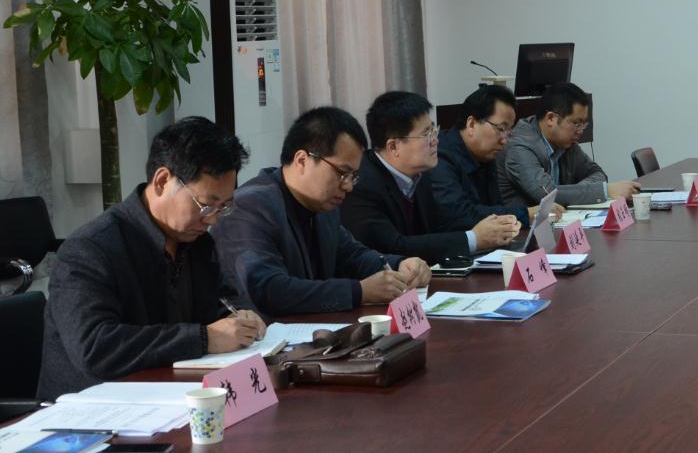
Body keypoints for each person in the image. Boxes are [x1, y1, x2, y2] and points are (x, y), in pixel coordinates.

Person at [39, 117, 264, 400]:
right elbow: (95, 348)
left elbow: (225, 298)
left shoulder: (198, 243)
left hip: (172, 394)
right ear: (162, 181)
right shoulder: (89, 250)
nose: (213, 220)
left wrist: (243, 315)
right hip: (94, 410)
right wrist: (204, 339)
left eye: (224, 207)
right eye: (206, 205)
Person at [213, 106, 431, 316]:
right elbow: (268, 289)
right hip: (265, 335)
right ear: (302, 160)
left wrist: (400, 265)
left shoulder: (321, 203)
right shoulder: (250, 206)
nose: (348, 186)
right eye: (341, 173)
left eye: (353, 176)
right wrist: (359, 292)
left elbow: (351, 256)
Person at [341, 91, 521, 262]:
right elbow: (393, 247)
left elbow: (440, 227)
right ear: (394, 147)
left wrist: (495, 228)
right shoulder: (360, 184)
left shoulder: (420, 174)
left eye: (434, 130)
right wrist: (474, 239)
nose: (436, 140)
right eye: (426, 134)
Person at [427, 85, 555, 233]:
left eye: (508, 132)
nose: (504, 140)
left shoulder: (485, 154)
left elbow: (494, 206)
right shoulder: (440, 156)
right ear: (471, 124)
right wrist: (524, 214)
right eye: (500, 129)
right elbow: (458, 215)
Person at [497, 82, 639, 206]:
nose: (580, 131)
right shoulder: (520, 146)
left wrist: (577, 192)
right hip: (522, 227)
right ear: (551, 118)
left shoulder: (565, 144)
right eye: (577, 123)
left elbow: (597, 173)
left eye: (583, 125)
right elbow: (548, 195)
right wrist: (604, 190)